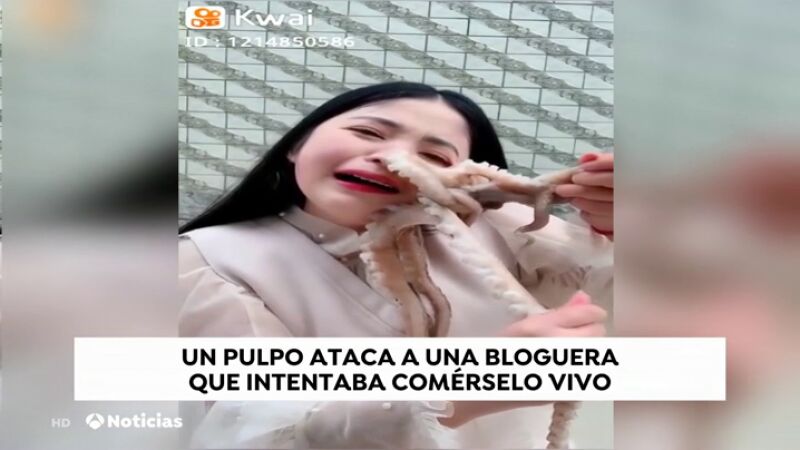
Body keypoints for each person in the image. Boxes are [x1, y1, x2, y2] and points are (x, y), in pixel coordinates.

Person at [178, 82, 614, 449]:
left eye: (436, 158)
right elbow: (261, 429)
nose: (391, 158)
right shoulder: (208, 258)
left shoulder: (498, 226)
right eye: (367, 132)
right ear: (296, 145)